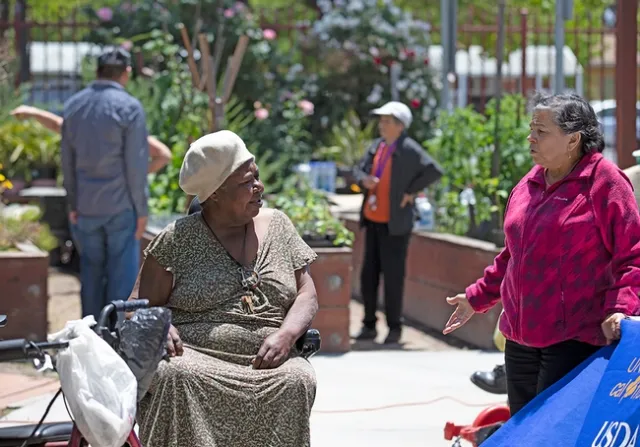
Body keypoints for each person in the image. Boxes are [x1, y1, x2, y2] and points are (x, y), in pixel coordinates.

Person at [443, 93, 640, 416]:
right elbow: (513, 255)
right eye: (531, 128)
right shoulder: (528, 183)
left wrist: (620, 309)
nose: (530, 137)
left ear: (573, 139)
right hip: (520, 337)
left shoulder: (604, 182)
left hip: (574, 339)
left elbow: (631, 254)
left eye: (541, 131)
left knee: (554, 429)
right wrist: (476, 298)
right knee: (523, 429)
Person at [131, 130, 319, 447]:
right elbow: (139, 304)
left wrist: (287, 335)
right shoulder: (177, 239)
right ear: (215, 193)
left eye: (256, 177)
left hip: (269, 359)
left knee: (297, 378)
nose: (258, 187)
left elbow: (307, 293)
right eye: (246, 183)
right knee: (176, 378)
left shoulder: (279, 225)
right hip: (194, 356)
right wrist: (157, 324)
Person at [61, 48, 150, 320]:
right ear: (126, 74)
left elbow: (67, 162)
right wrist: (142, 211)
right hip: (120, 207)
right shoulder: (130, 108)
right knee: (121, 281)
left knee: (90, 273)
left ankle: (89, 334)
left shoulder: (74, 106)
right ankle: (115, 340)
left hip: (86, 208)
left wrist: (73, 203)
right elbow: (136, 167)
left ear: (97, 71)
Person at [353, 101, 443, 344]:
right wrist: (364, 181)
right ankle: (369, 325)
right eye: (381, 121)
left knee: (393, 278)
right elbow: (358, 170)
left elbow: (434, 170)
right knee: (368, 276)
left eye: (387, 121)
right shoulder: (377, 147)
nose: (382, 125)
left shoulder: (409, 149)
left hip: (396, 226)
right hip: (373, 221)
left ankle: (395, 329)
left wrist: (411, 191)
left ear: (400, 126)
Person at [10, 105, 171, 174]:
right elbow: (163, 155)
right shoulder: (124, 134)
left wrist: (33, 112)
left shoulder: (121, 134)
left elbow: (59, 126)